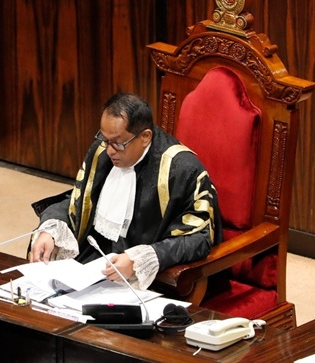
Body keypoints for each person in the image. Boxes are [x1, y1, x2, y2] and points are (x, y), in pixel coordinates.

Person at [29, 92, 222, 290]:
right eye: (105, 139)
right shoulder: (103, 151)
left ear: (145, 137)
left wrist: (141, 259)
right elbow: (80, 200)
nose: (109, 150)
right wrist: (51, 229)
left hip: (148, 278)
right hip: (94, 264)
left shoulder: (181, 169)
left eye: (118, 143)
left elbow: (199, 238)